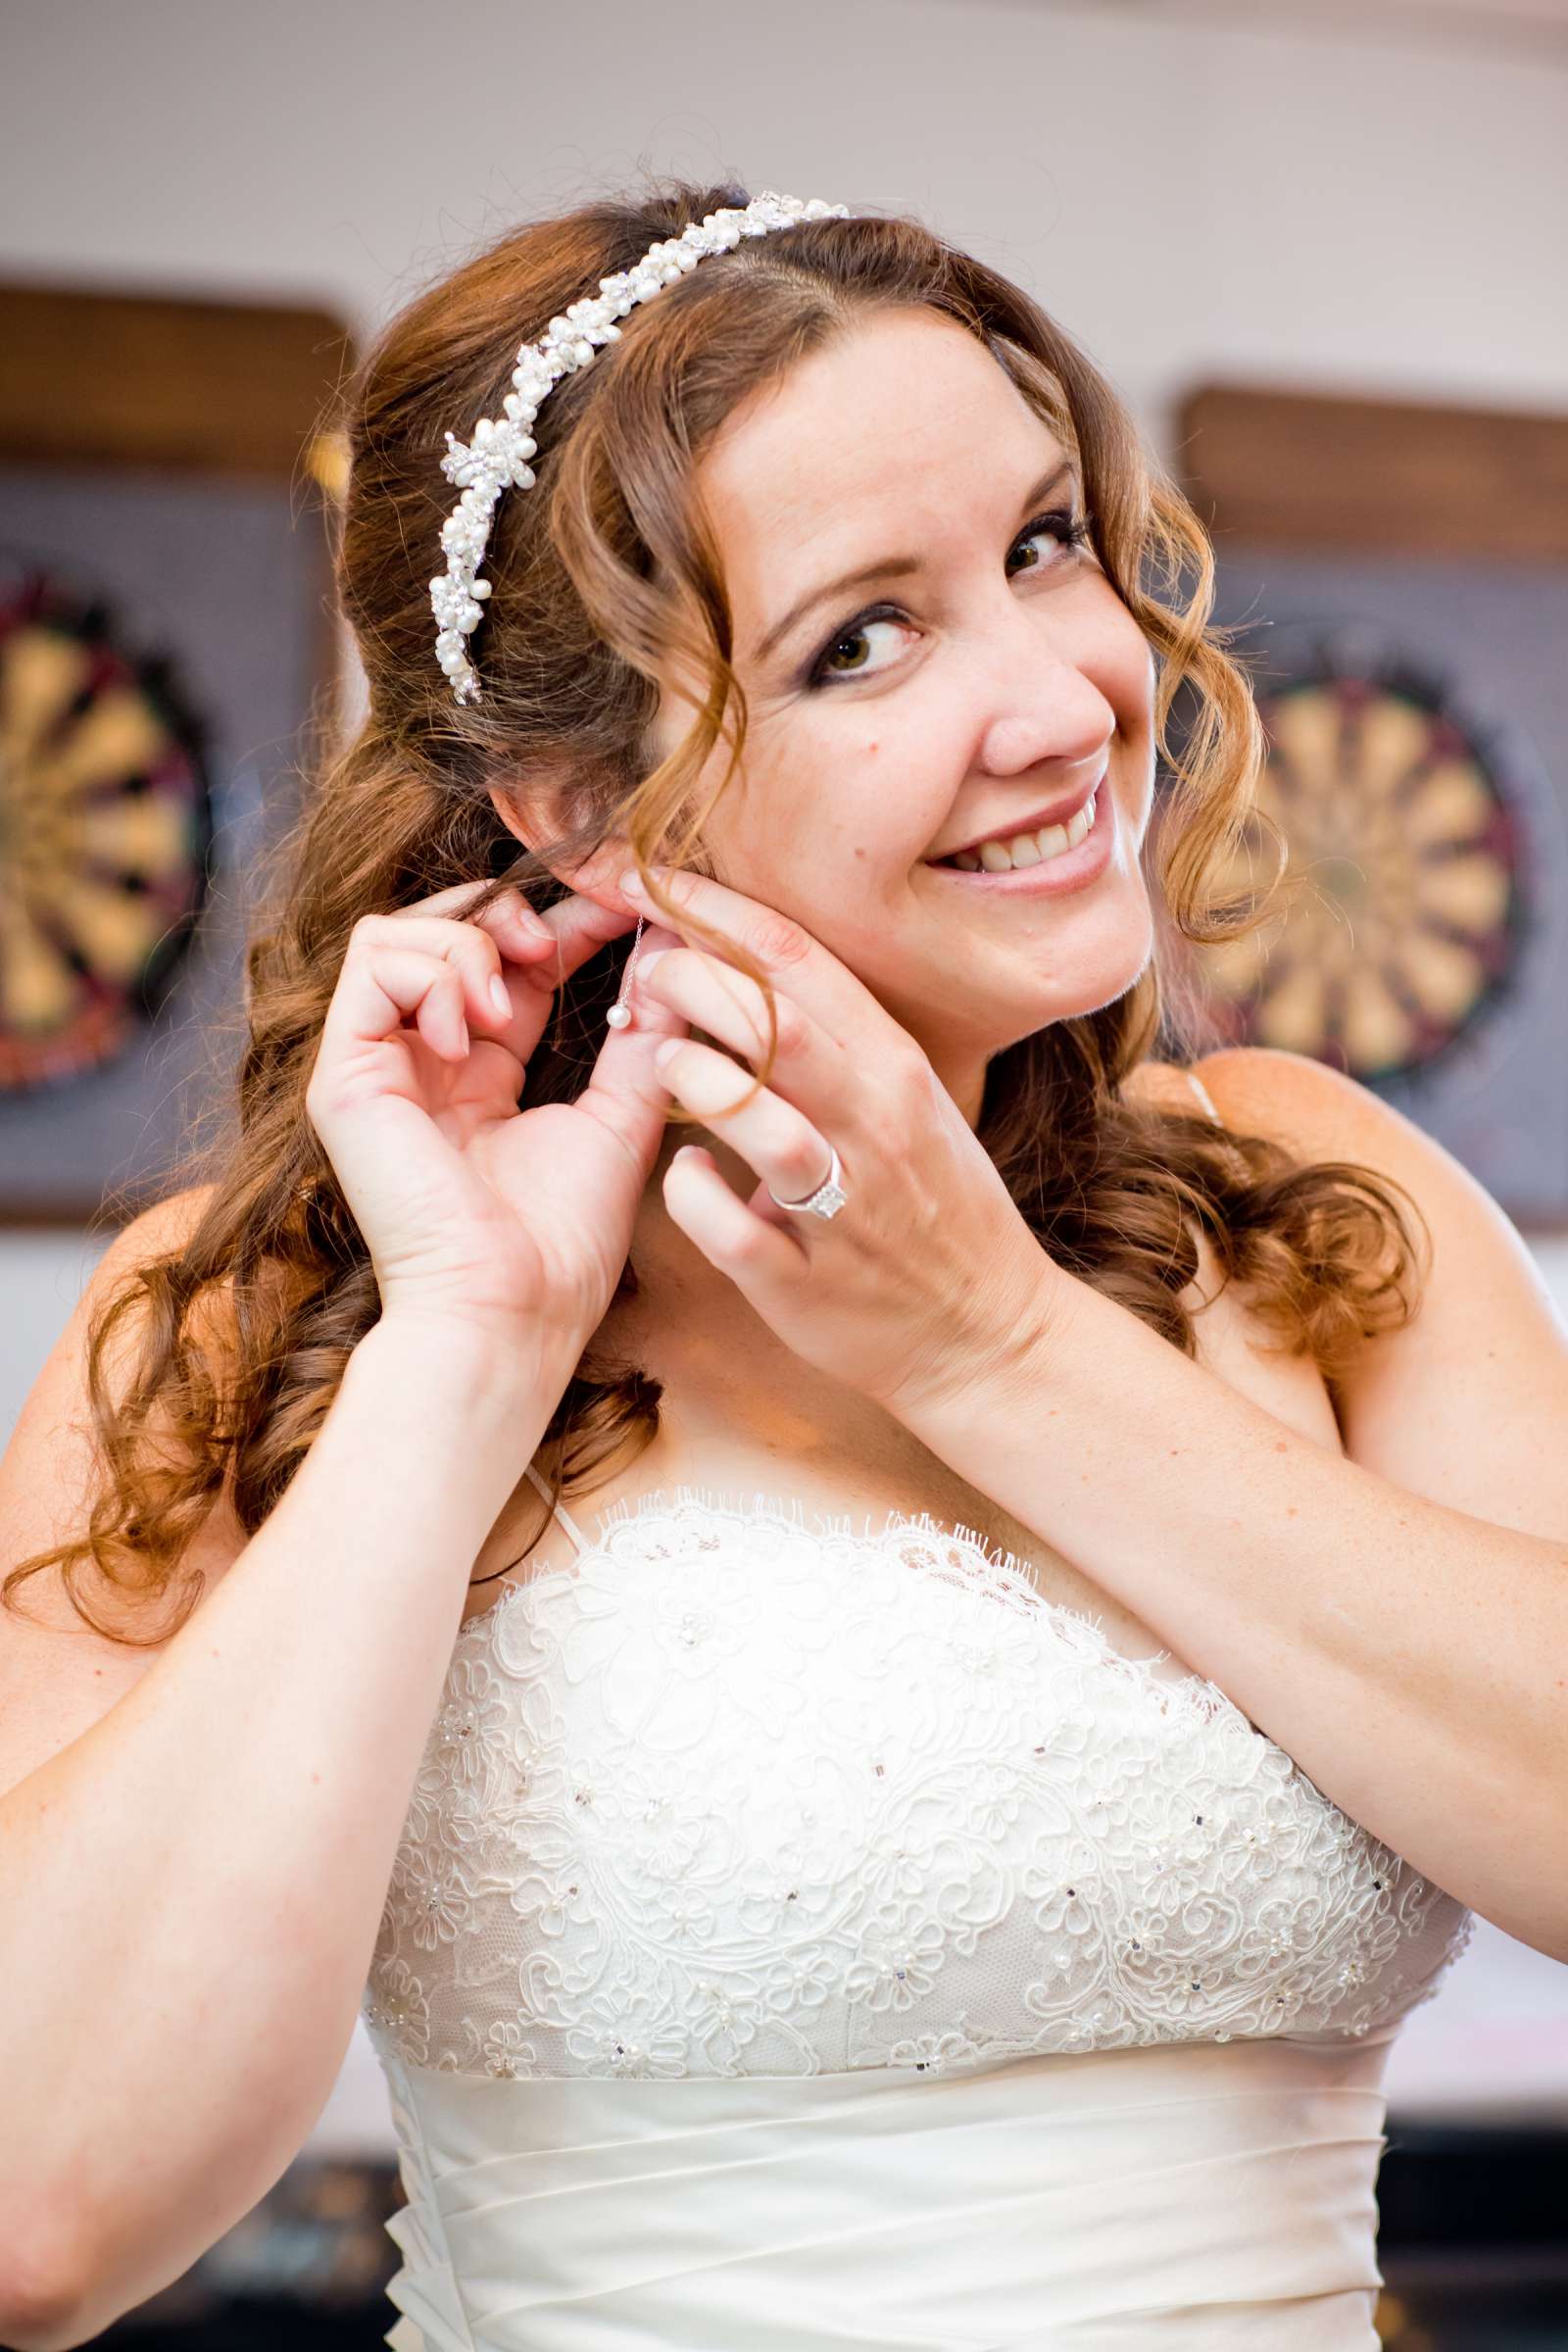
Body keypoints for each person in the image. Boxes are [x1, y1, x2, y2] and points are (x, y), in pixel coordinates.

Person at [1, 176, 1563, 2351]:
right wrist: (466, 1349)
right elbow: (40, 2215)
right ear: (575, 803)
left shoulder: (1302, 1205)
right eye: (863, 636)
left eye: (1037, 544)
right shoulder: (261, 1316)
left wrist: (994, 1341)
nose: (1060, 702)